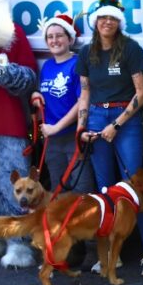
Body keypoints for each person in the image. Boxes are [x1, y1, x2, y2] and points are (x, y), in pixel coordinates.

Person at [76, 0, 143, 276]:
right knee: (104, 189)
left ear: (118, 22)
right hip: (97, 118)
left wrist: (117, 124)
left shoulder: (131, 49)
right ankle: (110, 254)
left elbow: (140, 93)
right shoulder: (86, 52)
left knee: (133, 186)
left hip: (126, 121)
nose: (107, 23)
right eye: (102, 19)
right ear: (96, 22)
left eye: (112, 19)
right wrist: (82, 127)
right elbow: (85, 91)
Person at [39, 13, 94, 194]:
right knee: (58, 190)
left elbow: (81, 102)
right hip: (53, 141)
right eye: (50, 37)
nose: (55, 40)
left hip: (73, 136)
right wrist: (35, 94)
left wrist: (57, 127)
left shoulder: (77, 64)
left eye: (59, 35)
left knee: (82, 189)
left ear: (70, 39)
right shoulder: (47, 66)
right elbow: (44, 94)